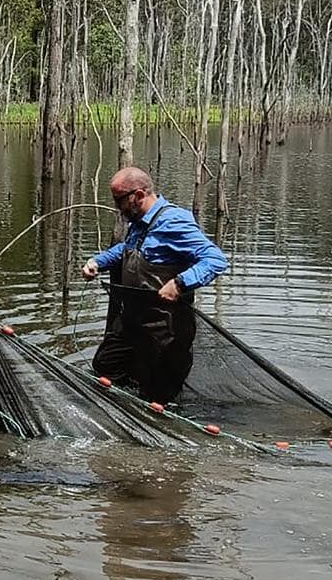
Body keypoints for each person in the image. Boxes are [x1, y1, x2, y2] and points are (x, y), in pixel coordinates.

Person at [81, 167, 228, 403]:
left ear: (138, 195)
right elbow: (127, 250)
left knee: (156, 400)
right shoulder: (138, 222)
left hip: (165, 333)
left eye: (119, 200)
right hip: (132, 324)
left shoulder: (174, 222)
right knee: (104, 365)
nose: (118, 207)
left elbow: (215, 259)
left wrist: (180, 283)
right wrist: (98, 262)